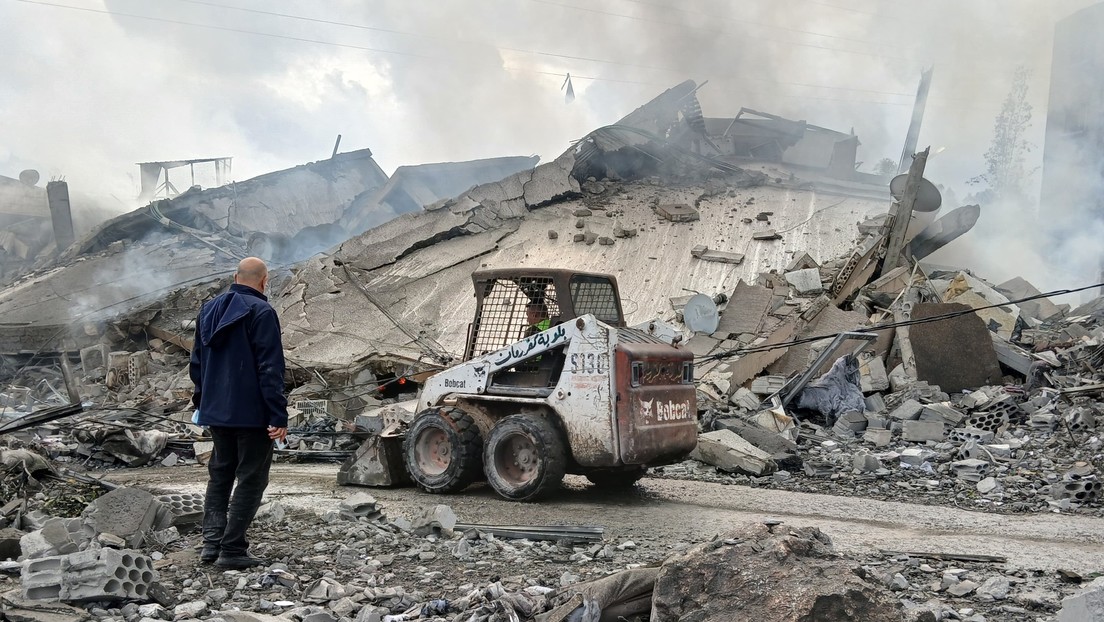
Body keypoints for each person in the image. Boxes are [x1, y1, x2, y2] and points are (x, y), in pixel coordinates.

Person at [190, 257, 288, 568]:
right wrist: (277, 416)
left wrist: (203, 404)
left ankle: (211, 544)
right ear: (264, 281)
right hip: (252, 414)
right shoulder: (262, 312)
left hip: (216, 412)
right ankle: (232, 550)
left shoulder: (208, 310)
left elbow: (196, 363)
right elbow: (270, 368)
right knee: (251, 478)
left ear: (235, 277)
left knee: (220, 474)